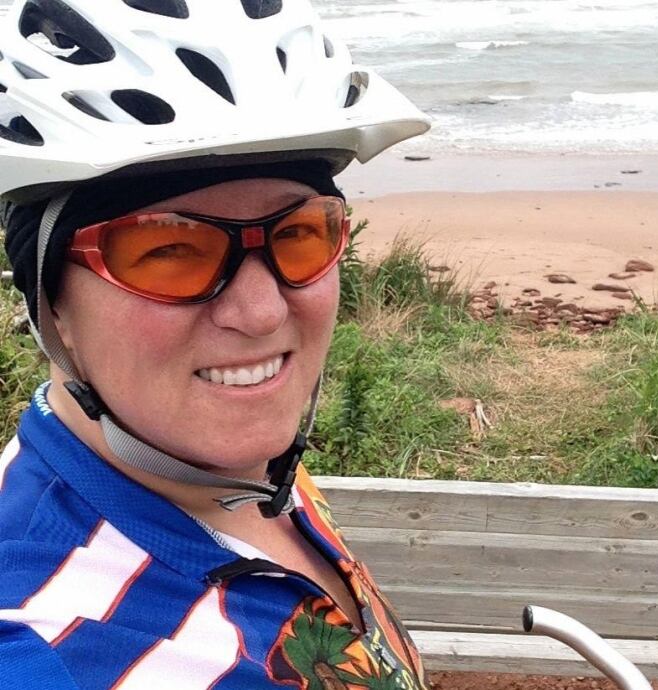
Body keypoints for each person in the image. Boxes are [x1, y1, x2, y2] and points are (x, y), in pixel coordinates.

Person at [0, 0, 430, 687]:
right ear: (53, 306)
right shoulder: (42, 653)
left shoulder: (233, 459)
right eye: (169, 250)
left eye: (298, 234)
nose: (260, 313)